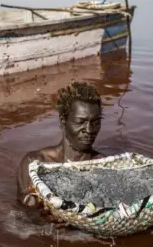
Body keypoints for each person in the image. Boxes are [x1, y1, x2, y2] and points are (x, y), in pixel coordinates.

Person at [16, 81, 105, 227]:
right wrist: (43, 217)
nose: (89, 130)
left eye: (95, 122)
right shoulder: (35, 163)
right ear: (63, 120)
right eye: (80, 122)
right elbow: (23, 210)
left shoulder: (103, 165)